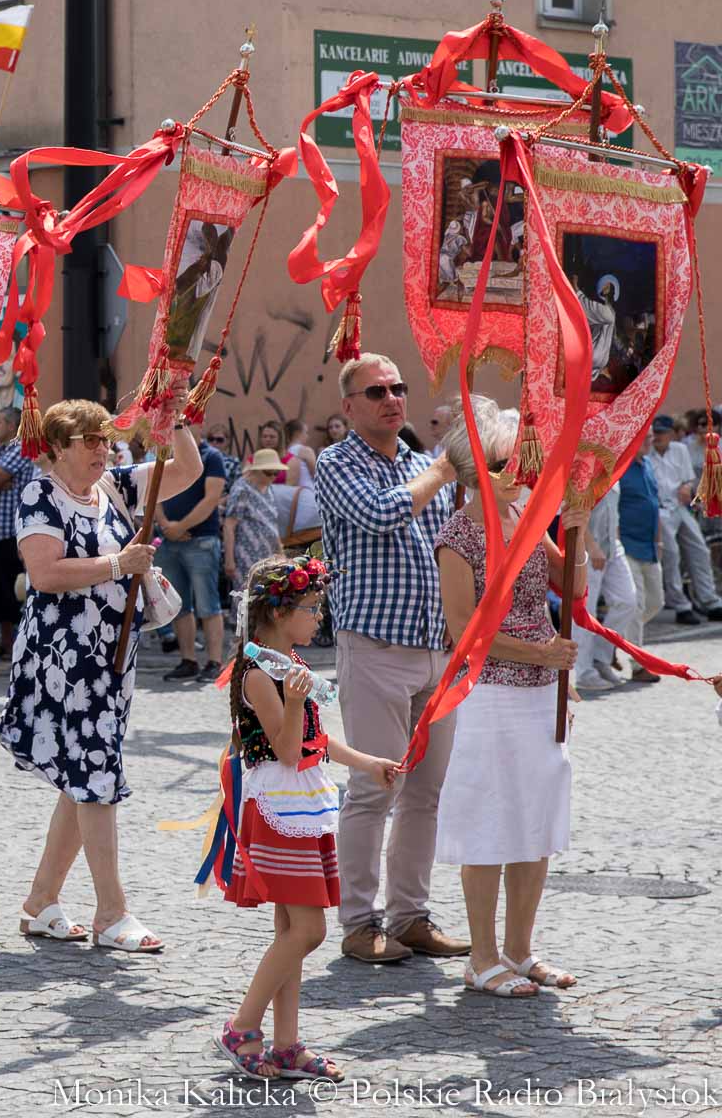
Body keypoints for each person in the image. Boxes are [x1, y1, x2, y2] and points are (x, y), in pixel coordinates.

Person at [0, 400, 203, 952]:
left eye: (105, 439)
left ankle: (40, 903)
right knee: (95, 772)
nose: (101, 450)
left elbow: (187, 470)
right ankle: (112, 912)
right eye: (89, 441)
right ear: (58, 447)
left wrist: (173, 417)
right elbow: (44, 573)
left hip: (111, 654)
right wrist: (116, 565)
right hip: (62, 659)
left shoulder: (113, 487)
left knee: (83, 776)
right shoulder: (40, 494)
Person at [211, 555, 401, 1082]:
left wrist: (369, 763)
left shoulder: (285, 660)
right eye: (312, 608)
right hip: (279, 809)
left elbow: (318, 740)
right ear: (280, 609)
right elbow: (289, 751)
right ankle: (242, 1026)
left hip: (304, 805)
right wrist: (292, 702)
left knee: (291, 929)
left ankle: (286, 1043)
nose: (319, 618)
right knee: (309, 931)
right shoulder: (256, 675)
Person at [313, 353, 471, 965]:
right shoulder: (337, 462)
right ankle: (359, 922)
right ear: (349, 407)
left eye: (399, 387)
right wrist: (442, 466)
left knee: (426, 794)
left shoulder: (415, 463)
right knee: (373, 787)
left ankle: (410, 916)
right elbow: (383, 514)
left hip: (435, 651)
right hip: (375, 648)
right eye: (377, 390)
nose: (392, 398)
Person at [431, 397, 581, 997]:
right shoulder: (458, 534)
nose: (525, 466)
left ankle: (520, 949)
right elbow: (465, 631)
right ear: (482, 467)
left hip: (542, 692)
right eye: (512, 458)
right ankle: (482, 956)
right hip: (492, 694)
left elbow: (570, 585)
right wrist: (540, 653)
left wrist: (578, 520)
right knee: (491, 821)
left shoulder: (523, 516)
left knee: (535, 822)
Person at [156, 431, 228, 683]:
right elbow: (155, 492)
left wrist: (180, 526)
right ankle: (188, 660)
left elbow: (211, 499)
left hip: (202, 539)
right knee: (178, 605)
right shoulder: (164, 453)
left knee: (208, 604)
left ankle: (214, 662)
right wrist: (166, 524)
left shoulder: (211, 456)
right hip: (169, 540)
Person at [648, 415, 722, 624]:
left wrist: (687, 486)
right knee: (671, 554)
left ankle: (710, 600)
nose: (659, 437)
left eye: (663, 433)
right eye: (657, 433)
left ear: (671, 434)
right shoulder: (647, 455)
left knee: (699, 548)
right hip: (661, 510)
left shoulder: (680, 450)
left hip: (680, 507)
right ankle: (681, 605)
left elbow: (689, 478)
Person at [576, 467, 641, 693]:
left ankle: (600, 659)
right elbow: (574, 512)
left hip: (613, 546)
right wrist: (592, 548)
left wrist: (614, 542)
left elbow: (613, 514)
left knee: (628, 601)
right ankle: (584, 671)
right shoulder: (583, 467)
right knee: (586, 611)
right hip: (587, 549)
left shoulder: (615, 466)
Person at [0, 407, 35, 659]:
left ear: (12, 426)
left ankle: (15, 646)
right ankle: (6, 642)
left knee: (12, 592)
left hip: (10, 534)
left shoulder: (19, 449)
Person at [617, 452, 665, 677]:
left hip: (648, 544)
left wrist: (659, 539)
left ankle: (614, 640)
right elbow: (614, 508)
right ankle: (638, 664)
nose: (650, 439)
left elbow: (654, 503)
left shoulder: (647, 463)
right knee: (636, 605)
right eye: (645, 435)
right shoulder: (620, 466)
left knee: (656, 601)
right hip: (627, 543)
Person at [223, 449, 286, 592]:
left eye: (276, 473)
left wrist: (281, 553)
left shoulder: (268, 489)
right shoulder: (242, 489)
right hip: (246, 557)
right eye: (268, 473)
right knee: (245, 601)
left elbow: (271, 524)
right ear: (256, 471)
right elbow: (229, 525)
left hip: (268, 558)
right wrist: (229, 560)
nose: (273, 477)